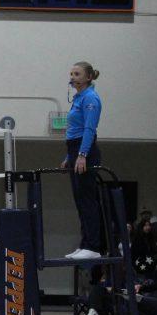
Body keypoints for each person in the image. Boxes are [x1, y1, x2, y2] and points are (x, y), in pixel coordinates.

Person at [60, 61, 104, 260]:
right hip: (75, 148)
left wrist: (82, 154)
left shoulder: (91, 98)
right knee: (79, 200)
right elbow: (73, 130)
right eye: (71, 73)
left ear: (88, 77)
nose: (73, 77)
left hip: (85, 149)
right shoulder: (78, 98)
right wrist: (70, 156)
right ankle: (85, 243)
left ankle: (94, 246)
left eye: (77, 74)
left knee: (87, 200)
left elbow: (89, 129)